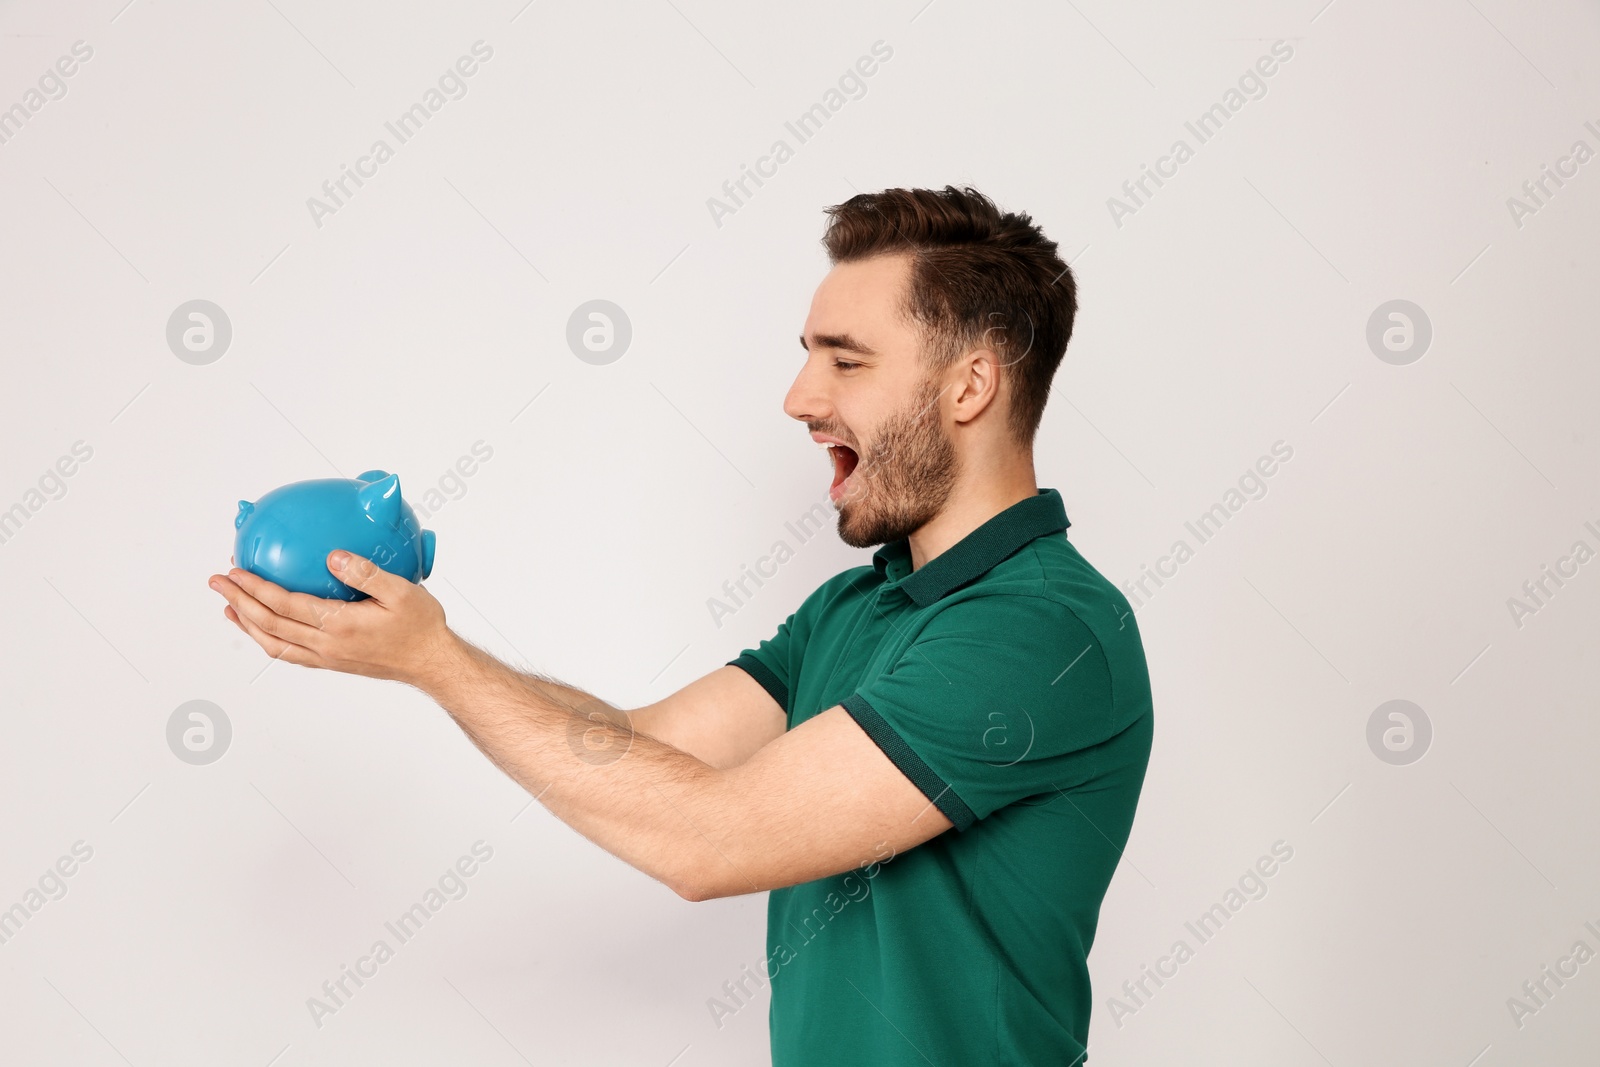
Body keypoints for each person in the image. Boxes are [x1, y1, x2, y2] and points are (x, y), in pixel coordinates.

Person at [208, 184, 1154, 1066]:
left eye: (845, 359)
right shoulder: (857, 606)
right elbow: (637, 750)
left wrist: (439, 662)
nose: (799, 397)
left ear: (969, 387)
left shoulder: (1042, 630)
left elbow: (710, 840)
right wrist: (423, 651)